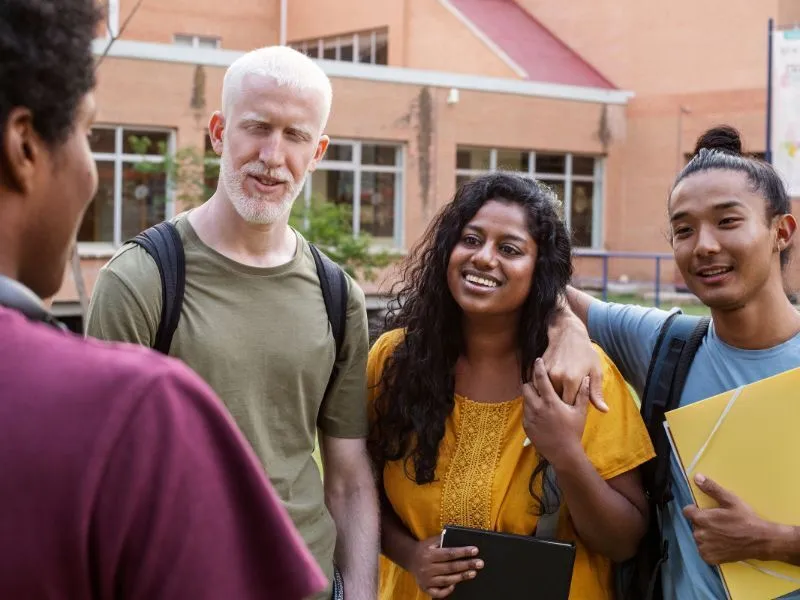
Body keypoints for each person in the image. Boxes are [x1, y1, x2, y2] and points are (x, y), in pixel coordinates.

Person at [0, 1, 327, 598]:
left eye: (295, 136)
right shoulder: (132, 401)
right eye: (89, 133)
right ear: (24, 145)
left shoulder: (335, 292)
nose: (94, 172)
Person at [86, 46, 379, 599]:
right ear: (219, 132)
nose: (272, 156)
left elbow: (347, 477)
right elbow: (97, 479)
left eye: (295, 136)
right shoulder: (141, 281)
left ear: (317, 152)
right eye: (257, 127)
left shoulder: (340, 296)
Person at [367, 172, 656, 600]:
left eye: (509, 249)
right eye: (471, 239)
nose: (484, 258)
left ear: (538, 269)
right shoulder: (395, 360)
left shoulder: (579, 373)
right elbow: (357, 489)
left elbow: (624, 541)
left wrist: (566, 454)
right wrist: (410, 554)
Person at [551, 126, 800, 599]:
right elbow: (546, 289)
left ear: (781, 232)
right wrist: (567, 326)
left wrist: (774, 540)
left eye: (728, 221)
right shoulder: (667, 344)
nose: (703, 246)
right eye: (684, 230)